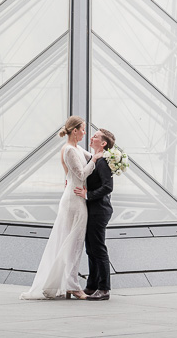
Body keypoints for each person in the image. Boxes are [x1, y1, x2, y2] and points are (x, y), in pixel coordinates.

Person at [20, 115, 95, 300]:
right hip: (74, 199)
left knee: (71, 241)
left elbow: (91, 157)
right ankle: (72, 286)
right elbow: (82, 173)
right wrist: (97, 159)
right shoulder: (69, 150)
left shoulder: (76, 149)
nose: (85, 133)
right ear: (75, 130)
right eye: (83, 129)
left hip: (73, 196)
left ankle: (68, 283)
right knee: (74, 242)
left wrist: (100, 155)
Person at [75, 128, 115, 301]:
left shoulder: (103, 162)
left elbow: (108, 186)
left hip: (99, 210)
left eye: (96, 136)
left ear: (103, 143)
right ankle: (92, 286)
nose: (92, 137)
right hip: (93, 209)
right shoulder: (95, 159)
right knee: (91, 249)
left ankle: (104, 289)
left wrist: (87, 195)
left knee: (98, 249)